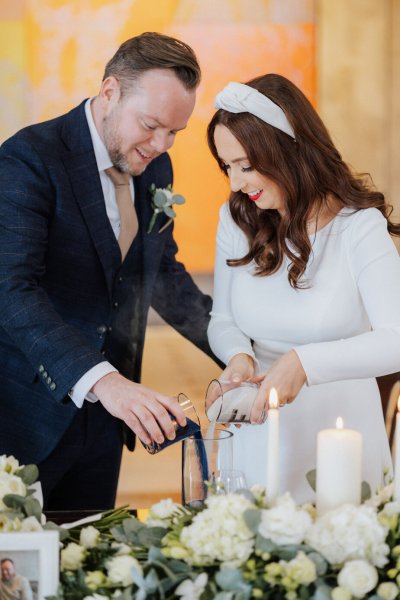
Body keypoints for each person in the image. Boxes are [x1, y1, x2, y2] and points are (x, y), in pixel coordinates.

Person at [0, 32, 219, 510]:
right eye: (151, 125)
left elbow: (160, 274)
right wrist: (105, 382)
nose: (162, 145)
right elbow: (11, 291)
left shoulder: (155, 169)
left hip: (106, 425)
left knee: (88, 561)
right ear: (110, 91)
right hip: (26, 414)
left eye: (175, 133)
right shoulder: (29, 159)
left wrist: (238, 350)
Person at [206, 74, 400, 502]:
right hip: (257, 428)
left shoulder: (359, 228)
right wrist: (239, 356)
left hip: (342, 427)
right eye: (227, 167)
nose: (236, 183)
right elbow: (223, 320)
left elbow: (396, 340)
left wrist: (304, 364)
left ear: (288, 150)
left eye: (246, 166)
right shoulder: (237, 218)